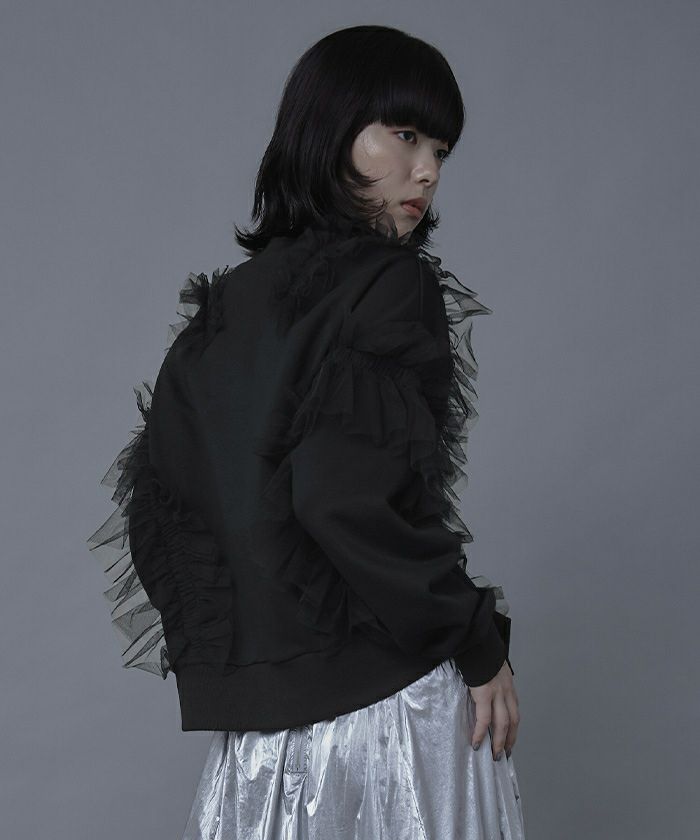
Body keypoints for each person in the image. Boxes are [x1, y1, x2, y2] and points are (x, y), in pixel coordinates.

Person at [87, 24, 525, 839]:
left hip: (257, 749)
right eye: (404, 135)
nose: (428, 170)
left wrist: (262, 666)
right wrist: (476, 641)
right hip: (391, 719)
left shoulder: (222, 313)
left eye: (440, 149)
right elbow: (344, 497)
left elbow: (159, 516)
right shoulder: (391, 286)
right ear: (332, 129)